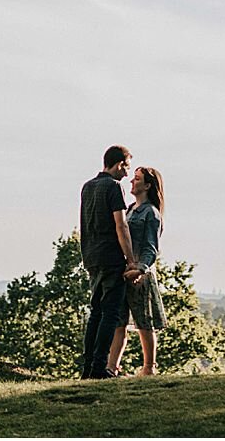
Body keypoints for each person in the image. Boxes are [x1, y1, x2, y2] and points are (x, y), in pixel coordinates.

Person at [79, 145, 140, 379]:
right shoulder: (114, 188)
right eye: (126, 168)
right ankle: (98, 368)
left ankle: (88, 367)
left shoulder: (87, 187)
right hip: (110, 256)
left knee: (95, 312)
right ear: (119, 164)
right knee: (110, 313)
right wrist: (131, 259)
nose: (127, 174)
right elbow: (120, 225)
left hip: (91, 255)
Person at [108, 166, 166, 376]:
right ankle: (112, 367)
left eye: (137, 179)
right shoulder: (130, 209)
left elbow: (152, 247)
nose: (132, 181)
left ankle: (149, 368)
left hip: (140, 275)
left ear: (148, 186)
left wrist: (140, 269)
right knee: (119, 321)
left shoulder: (151, 213)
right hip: (124, 272)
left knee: (144, 322)